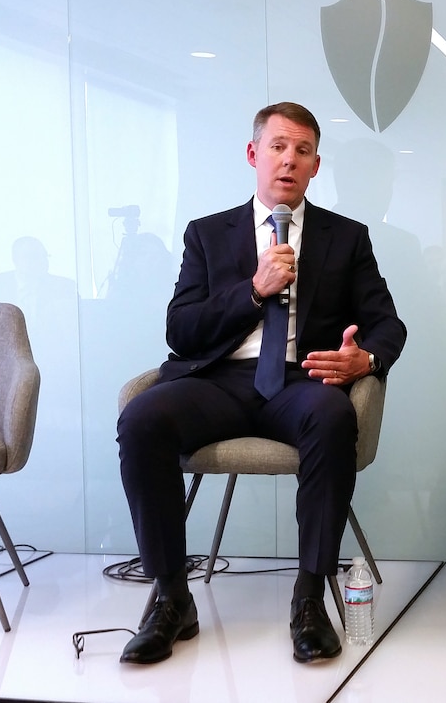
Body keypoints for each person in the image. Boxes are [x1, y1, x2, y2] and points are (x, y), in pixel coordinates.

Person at [117, 101, 406, 665]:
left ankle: (308, 596)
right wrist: (253, 289)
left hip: (301, 381)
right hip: (217, 381)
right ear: (254, 154)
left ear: (316, 165)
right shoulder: (207, 234)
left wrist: (363, 360)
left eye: (302, 151)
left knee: (332, 415)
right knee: (142, 418)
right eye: (277, 147)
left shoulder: (346, 237)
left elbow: (388, 324)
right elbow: (181, 329)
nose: (288, 161)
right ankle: (171, 596)